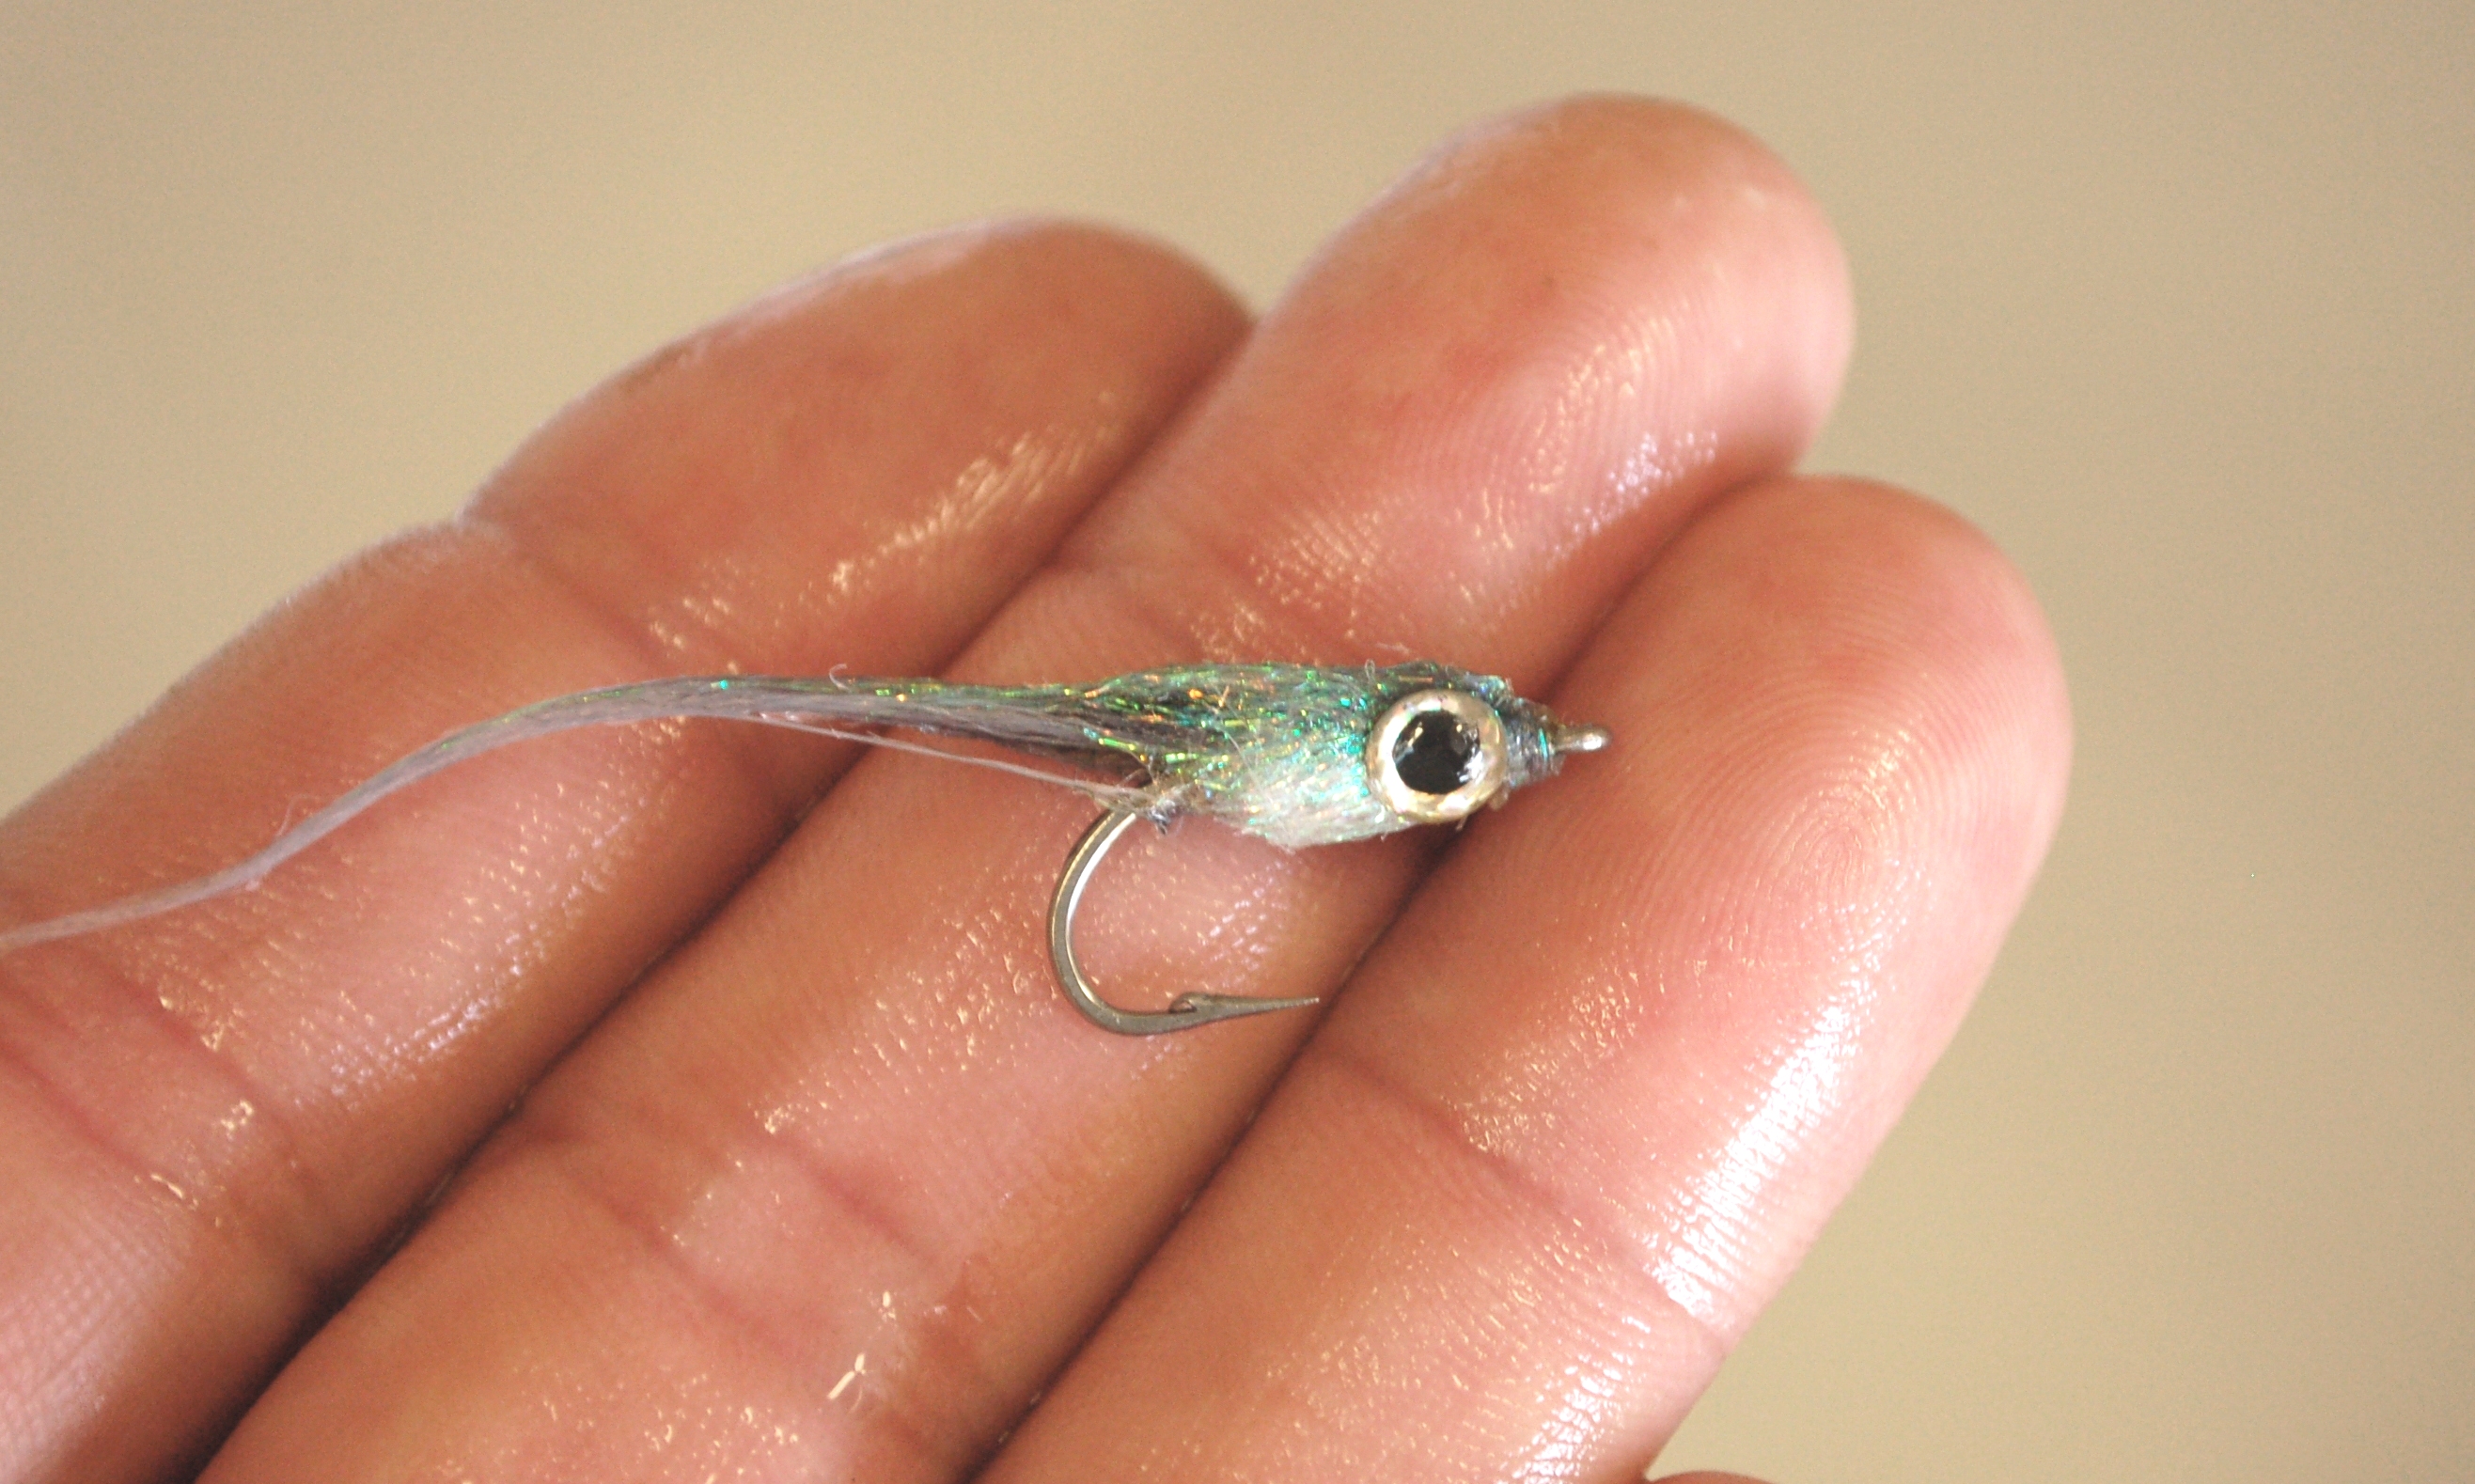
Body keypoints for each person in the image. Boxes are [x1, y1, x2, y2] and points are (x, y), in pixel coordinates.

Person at [0, 97, 2068, 1483]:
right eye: (1441, 754)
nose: (1456, 769)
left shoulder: (1320, 760)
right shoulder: (1269, 751)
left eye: (1443, 762)